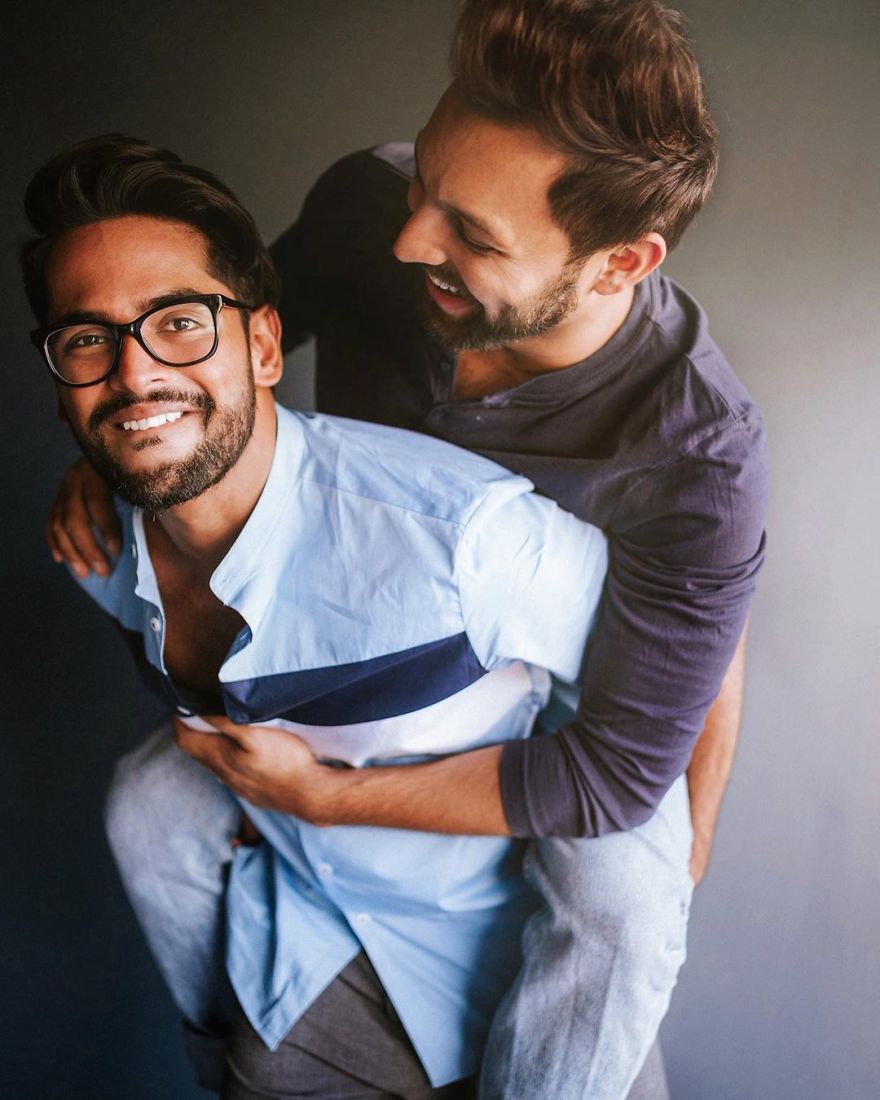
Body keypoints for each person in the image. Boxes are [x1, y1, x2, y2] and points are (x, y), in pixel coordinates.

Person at [43, 1, 767, 1097]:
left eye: (471, 235)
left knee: (625, 884)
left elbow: (644, 739)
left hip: (570, 709)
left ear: (620, 261)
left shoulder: (700, 457)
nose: (406, 239)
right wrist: (122, 437)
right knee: (146, 807)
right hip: (354, 643)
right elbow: (217, 338)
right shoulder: (366, 208)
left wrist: (327, 796)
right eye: (425, 179)